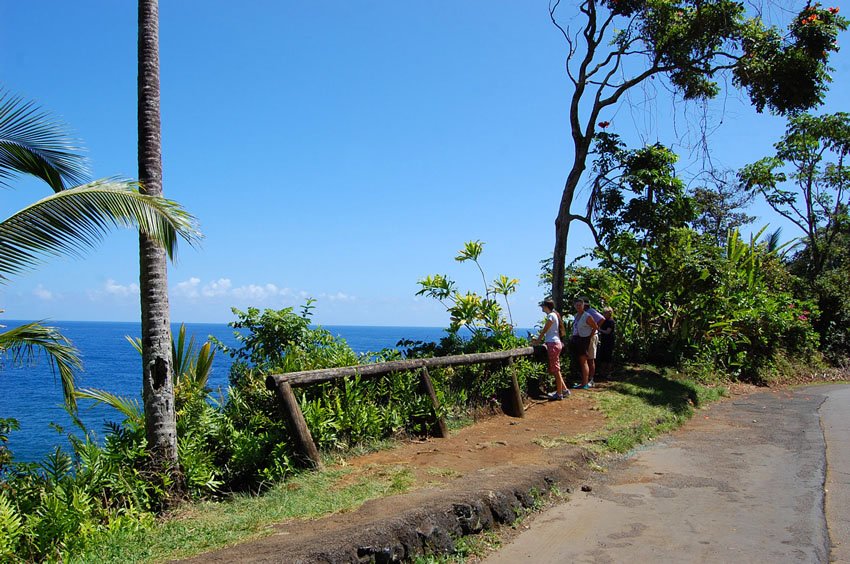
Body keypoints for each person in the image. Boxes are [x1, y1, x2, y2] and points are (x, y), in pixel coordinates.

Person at [534, 299, 569, 400]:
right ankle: (564, 390)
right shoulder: (554, 315)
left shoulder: (551, 316)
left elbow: (545, 330)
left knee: (556, 370)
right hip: (555, 343)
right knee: (556, 369)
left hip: (553, 344)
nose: (542, 308)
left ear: (546, 306)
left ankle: (559, 394)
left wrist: (538, 341)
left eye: (543, 306)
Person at [570, 297, 599, 390]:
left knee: (584, 361)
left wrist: (589, 337)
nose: (578, 307)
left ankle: (585, 383)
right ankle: (583, 381)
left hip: (584, 339)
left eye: (580, 305)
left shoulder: (587, 316)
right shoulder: (576, 315)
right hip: (577, 339)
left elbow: (595, 327)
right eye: (577, 305)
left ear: (583, 306)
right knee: (580, 361)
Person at [597, 307, 616, 379]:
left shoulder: (611, 321)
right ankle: (602, 372)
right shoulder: (604, 320)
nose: (604, 314)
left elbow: (608, 332)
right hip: (604, 340)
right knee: (603, 356)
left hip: (609, 341)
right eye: (603, 312)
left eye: (605, 312)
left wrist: (599, 329)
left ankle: (608, 373)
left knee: (608, 357)